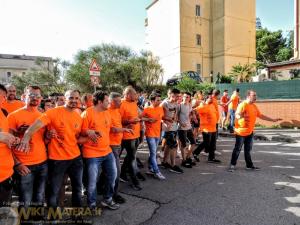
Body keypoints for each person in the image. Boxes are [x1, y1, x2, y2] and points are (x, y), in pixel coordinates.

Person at [17, 90, 84, 212]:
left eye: (76, 98)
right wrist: (26, 136)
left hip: (76, 158)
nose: (74, 100)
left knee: (78, 189)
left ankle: (77, 215)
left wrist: (90, 135)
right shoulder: (53, 112)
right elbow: (36, 125)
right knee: (54, 190)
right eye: (71, 98)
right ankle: (52, 215)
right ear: (65, 98)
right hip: (57, 160)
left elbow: (76, 138)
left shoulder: (77, 116)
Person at [8, 86, 48, 221]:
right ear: (24, 96)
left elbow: (44, 140)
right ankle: (25, 221)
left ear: (41, 98)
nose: (35, 98)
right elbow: (6, 145)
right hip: (24, 165)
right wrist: (17, 164)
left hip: (42, 163)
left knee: (40, 196)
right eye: (32, 95)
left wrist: (49, 135)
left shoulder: (43, 116)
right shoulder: (14, 116)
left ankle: (37, 220)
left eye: (38, 96)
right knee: (25, 199)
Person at [81, 91, 122, 210]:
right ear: (99, 102)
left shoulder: (106, 113)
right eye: (106, 101)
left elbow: (109, 129)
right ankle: (91, 204)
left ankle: (107, 199)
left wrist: (122, 129)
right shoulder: (87, 113)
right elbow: (80, 131)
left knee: (112, 175)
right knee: (92, 181)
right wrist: (88, 132)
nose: (109, 103)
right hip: (91, 152)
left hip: (107, 150)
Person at [228, 90, 281, 172]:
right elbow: (237, 114)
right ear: (248, 96)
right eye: (254, 95)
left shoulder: (254, 106)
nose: (256, 97)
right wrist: (241, 116)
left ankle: (249, 166)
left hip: (250, 132)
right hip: (241, 132)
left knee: (248, 150)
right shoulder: (243, 104)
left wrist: (272, 120)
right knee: (237, 149)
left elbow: (261, 115)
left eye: (256, 95)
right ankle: (232, 165)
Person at [108, 92, 133, 203]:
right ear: (110, 101)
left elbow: (118, 125)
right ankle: (114, 194)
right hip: (110, 145)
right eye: (117, 101)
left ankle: (105, 190)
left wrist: (126, 126)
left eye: (120, 101)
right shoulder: (106, 112)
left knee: (110, 171)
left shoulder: (117, 111)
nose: (120, 103)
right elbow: (111, 129)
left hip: (118, 144)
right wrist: (124, 129)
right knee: (116, 171)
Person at [119, 86, 143, 190]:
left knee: (130, 158)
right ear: (128, 94)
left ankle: (123, 174)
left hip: (136, 135)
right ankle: (134, 181)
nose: (136, 96)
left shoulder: (133, 103)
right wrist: (130, 122)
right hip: (125, 137)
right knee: (131, 158)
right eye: (134, 94)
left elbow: (137, 116)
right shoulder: (120, 104)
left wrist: (141, 120)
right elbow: (118, 121)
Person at [0, 84, 19, 207]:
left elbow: (4, 134)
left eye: (3, 96)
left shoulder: (3, 112)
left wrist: (13, 139)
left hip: (6, 174)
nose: (2, 98)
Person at [142, 93, 166, 180]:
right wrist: (148, 119)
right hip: (150, 134)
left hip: (157, 134)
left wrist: (164, 122)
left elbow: (161, 118)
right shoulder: (147, 109)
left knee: (153, 152)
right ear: (152, 101)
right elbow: (140, 118)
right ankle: (157, 171)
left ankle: (150, 168)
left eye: (160, 100)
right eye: (157, 100)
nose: (160, 101)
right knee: (153, 153)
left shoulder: (160, 108)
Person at [193, 94, 221, 164]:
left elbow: (215, 114)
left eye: (212, 98)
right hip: (206, 128)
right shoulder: (202, 106)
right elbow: (193, 111)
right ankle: (195, 153)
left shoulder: (212, 105)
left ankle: (211, 158)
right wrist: (195, 119)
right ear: (206, 99)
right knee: (206, 143)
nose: (212, 99)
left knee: (212, 144)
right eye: (210, 98)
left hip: (213, 128)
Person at [161, 88, 183, 174]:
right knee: (174, 146)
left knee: (168, 145)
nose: (178, 98)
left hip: (174, 127)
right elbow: (159, 116)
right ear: (171, 95)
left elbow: (176, 115)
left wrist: (177, 122)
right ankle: (173, 165)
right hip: (168, 128)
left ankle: (164, 162)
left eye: (178, 96)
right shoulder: (164, 103)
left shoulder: (176, 104)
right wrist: (167, 120)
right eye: (177, 96)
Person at [177, 92, 196, 168]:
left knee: (193, 143)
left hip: (189, 127)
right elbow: (176, 116)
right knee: (183, 145)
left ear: (189, 98)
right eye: (184, 96)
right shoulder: (179, 106)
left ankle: (187, 157)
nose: (185, 98)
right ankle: (183, 160)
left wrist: (193, 116)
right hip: (182, 128)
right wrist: (180, 123)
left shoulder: (189, 105)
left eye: (187, 97)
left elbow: (191, 112)